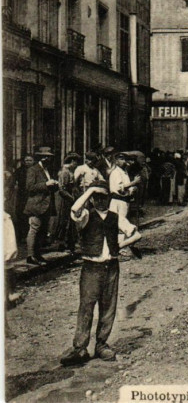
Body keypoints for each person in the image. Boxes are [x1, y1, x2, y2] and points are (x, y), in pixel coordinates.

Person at [60, 179, 139, 366]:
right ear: (92, 199)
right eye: (97, 197)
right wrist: (90, 190)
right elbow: (74, 209)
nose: (101, 201)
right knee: (86, 307)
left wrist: (119, 245)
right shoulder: (86, 215)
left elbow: (135, 234)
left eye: (104, 197)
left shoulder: (115, 217)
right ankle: (79, 348)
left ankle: (102, 344)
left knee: (108, 307)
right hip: (91, 268)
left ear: (110, 198)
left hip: (111, 267)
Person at [24, 147, 59, 266]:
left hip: (46, 205)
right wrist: (46, 184)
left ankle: (37, 254)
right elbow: (29, 187)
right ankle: (30, 256)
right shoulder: (33, 170)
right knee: (34, 229)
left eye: (48, 156)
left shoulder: (47, 170)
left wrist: (54, 185)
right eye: (44, 156)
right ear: (39, 157)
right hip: (36, 205)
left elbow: (48, 188)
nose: (46, 158)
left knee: (42, 231)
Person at [52, 153, 80, 253]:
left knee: (69, 221)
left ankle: (69, 243)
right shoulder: (64, 172)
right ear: (72, 162)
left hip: (69, 198)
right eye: (76, 162)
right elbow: (62, 189)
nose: (76, 164)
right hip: (64, 200)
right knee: (64, 221)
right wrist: (71, 198)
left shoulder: (69, 171)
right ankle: (62, 243)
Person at [108, 153, 141, 222]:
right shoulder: (116, 172)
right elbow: (120, 188)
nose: (124, 161)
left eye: (124, 159)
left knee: (122, 221)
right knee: (120, 223)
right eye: (121, 159)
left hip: (124, 200)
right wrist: (134, 182)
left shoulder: (124, 172)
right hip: (118, 200)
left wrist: (133, 188)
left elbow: (126, 186)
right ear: (116, 161)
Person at [10, 155, 34, 244]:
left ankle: (29, 236)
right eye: (26, 160)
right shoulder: (19, 171)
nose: (28, 162)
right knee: (21, 215)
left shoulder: (36, 170)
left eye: (30, 160)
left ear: (33, 161)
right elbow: (13, 183)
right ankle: (21, 236)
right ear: (23, 161)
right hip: (21, 196)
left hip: (32, 195)